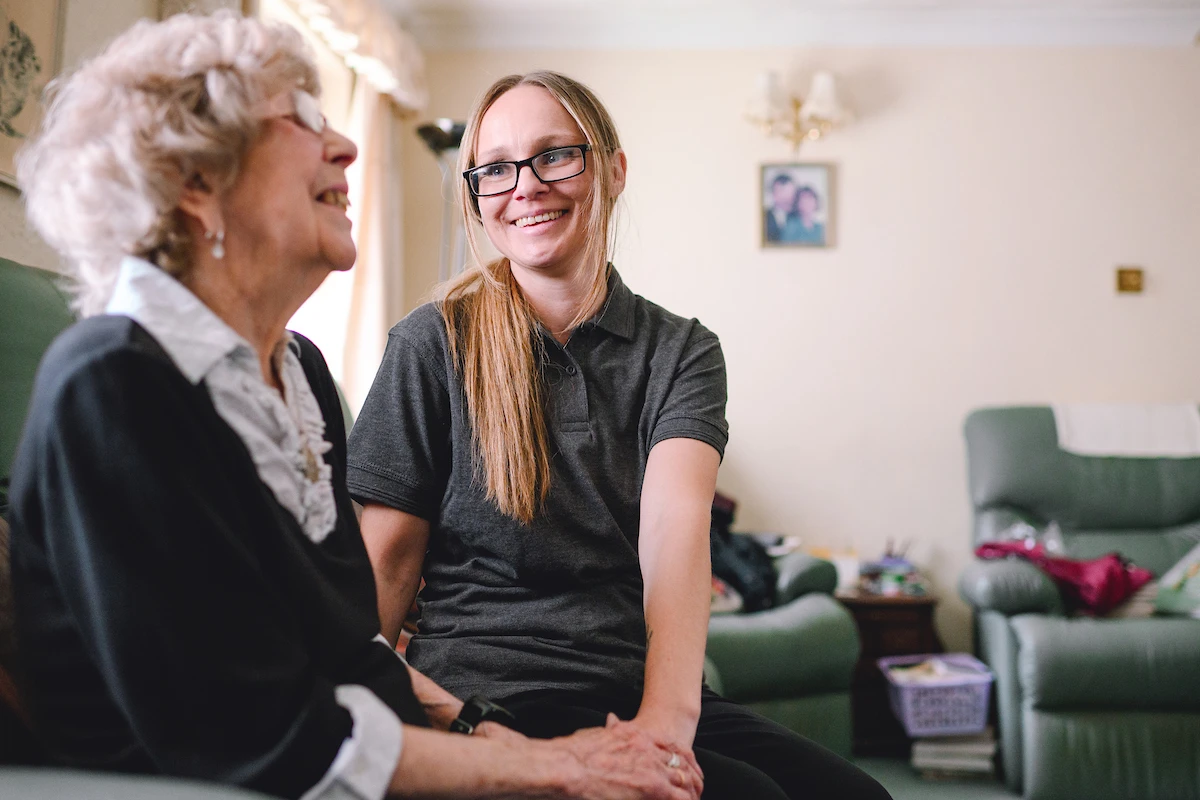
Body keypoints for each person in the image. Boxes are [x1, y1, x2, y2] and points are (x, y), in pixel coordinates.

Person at [6, 13, 700, 800]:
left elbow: (352, 650)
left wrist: (480, 728)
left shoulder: (295, 373)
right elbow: (257, 735)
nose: (346, 147)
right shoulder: (113, 381)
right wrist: (552, 767)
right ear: (195, 182)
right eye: (302, 120)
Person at [347, 71, 891, 800]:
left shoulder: (681, 351)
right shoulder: (430, 345)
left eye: (554, 156)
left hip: (629, 693)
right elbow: (381, 578)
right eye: (496, 168)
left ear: (612, 169)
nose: (525, 185)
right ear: (477, 194)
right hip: (488, 700)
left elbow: (675, 535)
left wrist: (661, 731)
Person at [764, 173, 799, 243]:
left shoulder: (798, 217)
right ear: (773, 193)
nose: (788, 197)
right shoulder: (763, 216)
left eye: (791, 193)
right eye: (783, 192)